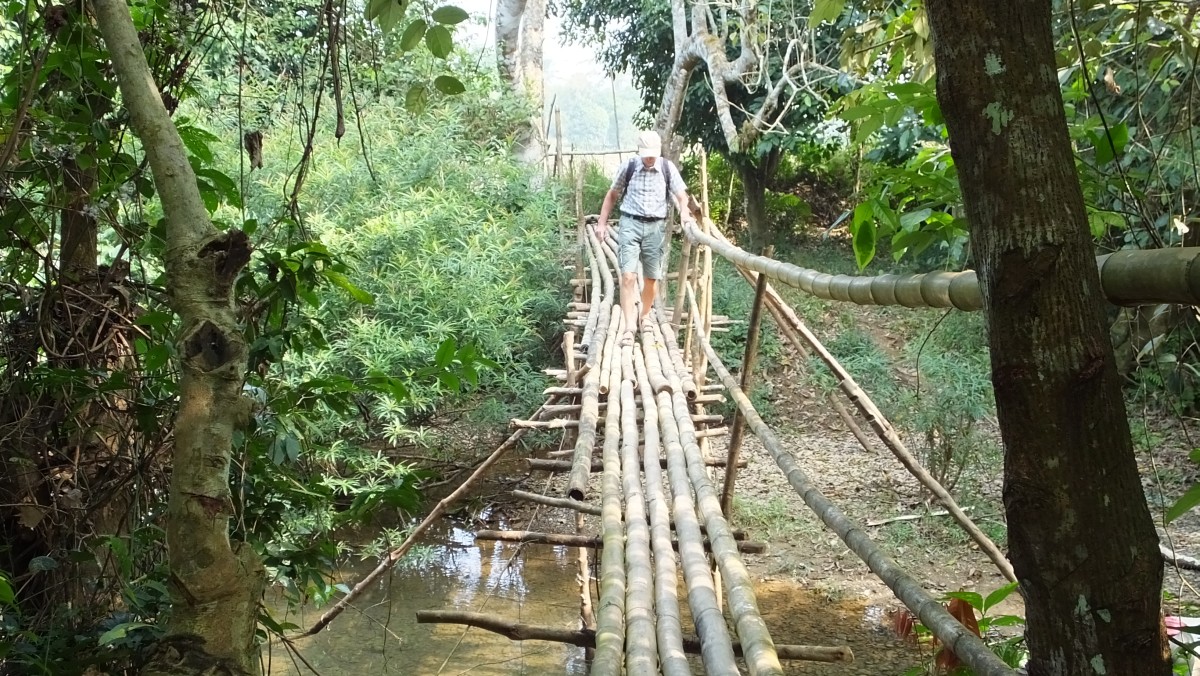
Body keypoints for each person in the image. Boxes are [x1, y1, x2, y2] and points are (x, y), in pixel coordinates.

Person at [595, 130, 695, 346]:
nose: (649, 158)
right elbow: (612, 195)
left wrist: (685, 212)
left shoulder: (667, 168)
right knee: (628, 277)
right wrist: (602, 223)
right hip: (630, 223)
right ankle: (630, 326)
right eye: (646, 154)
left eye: (653, 154)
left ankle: (645, 315)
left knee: (651, 278)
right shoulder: (629, 166)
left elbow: (681, 196)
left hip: (655, 227)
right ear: (639, 152)